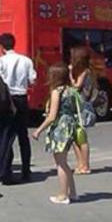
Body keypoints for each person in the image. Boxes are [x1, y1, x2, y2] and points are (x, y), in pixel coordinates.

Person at [33, 64, 85, 204]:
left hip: (60, 128)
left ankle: (63, 195)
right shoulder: (71, 91)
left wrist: (39, 130)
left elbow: (52, 116)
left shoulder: (57, 91)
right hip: (70, 125)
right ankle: (73, 193)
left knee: (61, 163)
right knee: (65, 163)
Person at [0, 33, 37, 185]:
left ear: (1, 46)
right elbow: (33, 80)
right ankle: (26, 170)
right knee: (22, 136)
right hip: (21, 97)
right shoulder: (26, 60)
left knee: (5, 135)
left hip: (5, 100)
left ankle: (6, 170)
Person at [68, 45, 96, 175]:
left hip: (82, 106)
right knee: (74, 137)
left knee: (81, 137)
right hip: (77, 105)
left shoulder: (85, 72)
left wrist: (69, 74)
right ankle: (80, 163)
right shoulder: (82, 71)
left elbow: (76, 86)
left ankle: (85, 165)